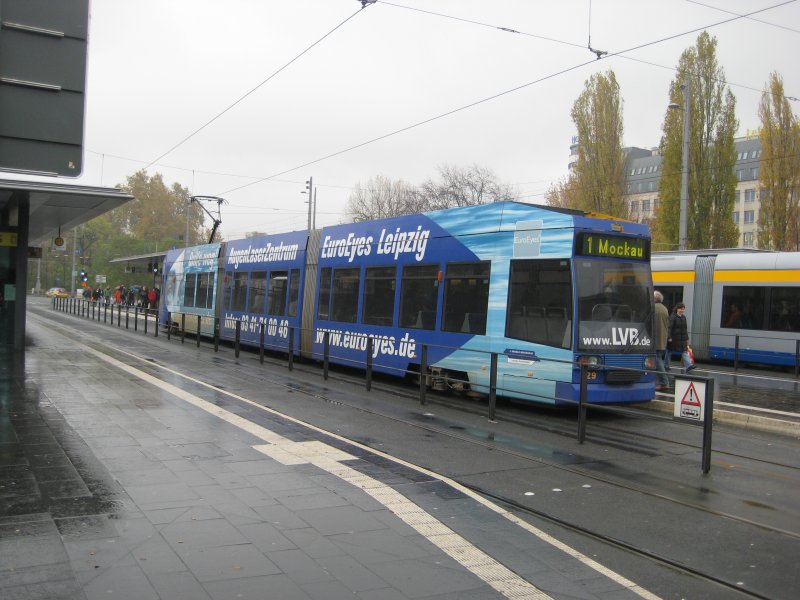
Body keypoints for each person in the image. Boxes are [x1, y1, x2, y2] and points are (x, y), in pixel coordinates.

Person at [668, 302, 694, 372]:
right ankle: (666, 365)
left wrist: (687, 339)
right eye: (681, 309)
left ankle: (689, 365)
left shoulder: (683, 317)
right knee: (669, 351)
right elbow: (669, 327)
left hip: (682, 339)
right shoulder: (673, 317)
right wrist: (669, 337)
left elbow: (685, 329)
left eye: (683, 309)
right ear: (677, 309)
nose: (682, 310)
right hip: (674, 339)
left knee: (684, 351)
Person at [654, 291, 670, 390]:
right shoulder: (664, 308)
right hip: (662, 339)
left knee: (657, 360)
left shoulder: (654, 308)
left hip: (656, 340)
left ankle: (664, 382)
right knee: (658, 359)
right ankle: (662, 381)